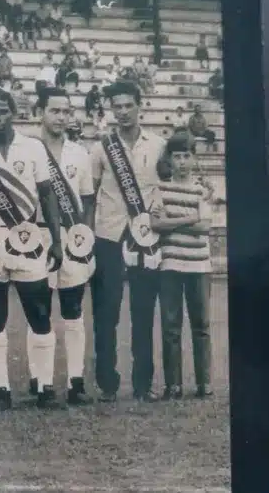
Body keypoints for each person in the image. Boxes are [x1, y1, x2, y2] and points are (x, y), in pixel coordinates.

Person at [0, 89, 64, 411]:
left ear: (12, 112)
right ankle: (1, 389)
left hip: (28, 237)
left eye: (3, 111)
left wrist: (56, 239)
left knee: (39, 314)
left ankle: (44, 386)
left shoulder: (33, 147)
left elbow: (47, 194)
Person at [89, 81, 166, 403]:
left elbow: (165, 189)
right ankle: (107, 383)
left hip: (144, 237)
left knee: (143, 310)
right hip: (107, 234)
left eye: (127, 105)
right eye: (116, 106)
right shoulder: (100, 148)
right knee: (106, 312)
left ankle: (143, 383)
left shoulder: (159, 145)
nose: (122, 112)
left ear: (139, 105)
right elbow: (90, 196)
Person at [34, 87, 96, 405]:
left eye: (66, 111)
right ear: (40, 112)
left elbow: (86, 199)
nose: (61, 117)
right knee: (39, 311)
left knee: (72, 310)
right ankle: (42, 382)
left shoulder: (80, 154)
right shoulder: (28, 150)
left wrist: (83, 237)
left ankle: (76, 381)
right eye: (55, 110)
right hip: (37, 237)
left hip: (72, 236)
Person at [152, 132, 213, 400]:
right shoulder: (160, 188)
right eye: (177, 157)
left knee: (201, 326)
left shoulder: (202, 189)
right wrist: (190, 217)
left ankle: (204, 383)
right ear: (170, 159)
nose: (182, 162)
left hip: (199, 265)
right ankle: (173, 385)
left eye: (187, 156)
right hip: (171, 265)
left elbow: (205, 228)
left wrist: (173, 219)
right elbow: (155, 225)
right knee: (171, 326)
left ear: (194, 158)